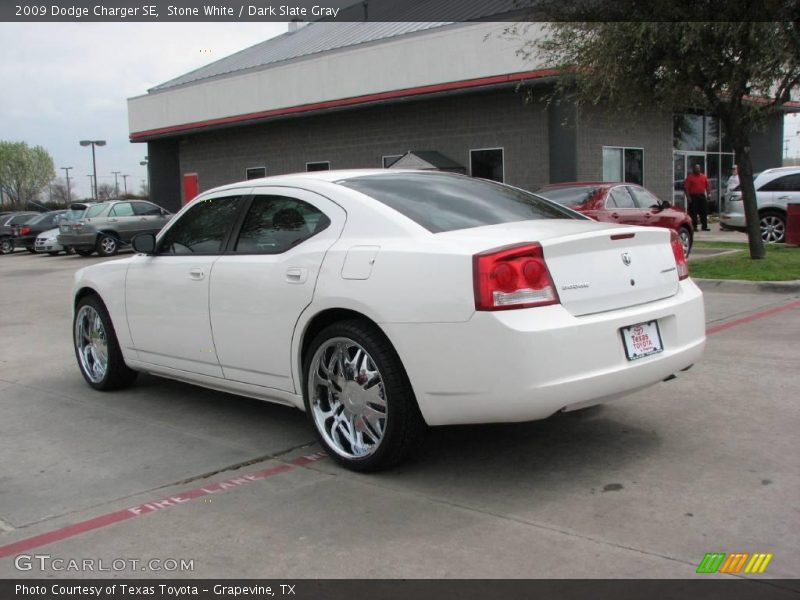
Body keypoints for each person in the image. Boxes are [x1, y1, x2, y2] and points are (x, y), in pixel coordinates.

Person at [684, 163, 710, 231]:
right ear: (693, 169)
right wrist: (688, 197)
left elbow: (707, 187)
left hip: (702, 196)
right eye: (696, 168)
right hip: (693, 197)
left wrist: (709, 194)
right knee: (693, 213)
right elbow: (686, 188)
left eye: (698, 168)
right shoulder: (690, 177)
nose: (697, 169)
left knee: (704, 212)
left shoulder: (704, 177)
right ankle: (694, 227)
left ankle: (704, 226)